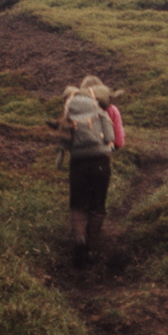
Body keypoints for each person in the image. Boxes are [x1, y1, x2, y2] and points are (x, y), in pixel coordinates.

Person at [61, 78, 116, 269]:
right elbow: (111, 137)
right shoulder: (100, 110)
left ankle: (79, 241)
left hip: (78, 163)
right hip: (101, 162)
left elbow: (64, 141)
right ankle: (91, 248)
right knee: (97, 205)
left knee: (78, 205)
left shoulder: (70, 110)